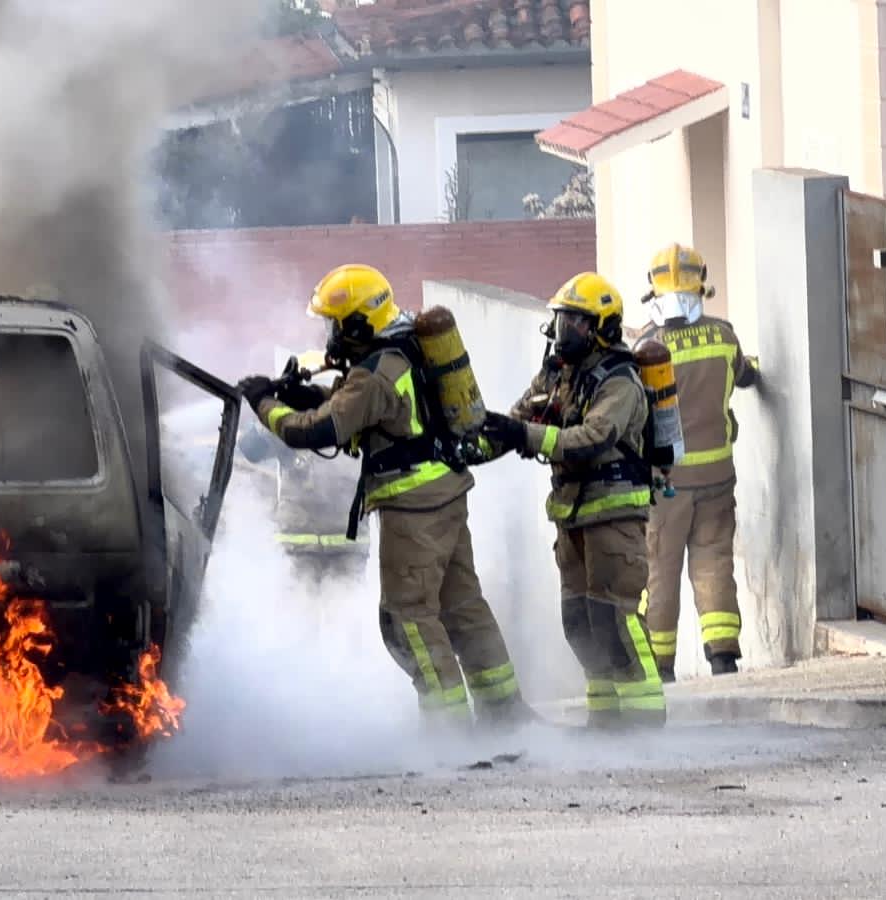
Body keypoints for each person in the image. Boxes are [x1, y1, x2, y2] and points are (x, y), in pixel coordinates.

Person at [237, 264, 528, 728]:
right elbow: (360, 406)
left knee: (407, 618)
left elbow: (316, 431)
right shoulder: (405, 348)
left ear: (357, 324)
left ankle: (450, 730)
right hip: (446, 494)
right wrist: (304, 393)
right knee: (463, 608)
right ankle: (506, 715)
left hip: (413, 508)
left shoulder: (374, 374)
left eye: (334, 324)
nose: (329, 335)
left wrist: (264, 404)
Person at [481, 272, 666, 729]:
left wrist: (524, 434)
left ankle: (645, 722)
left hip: (614, 511)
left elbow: (593, 437)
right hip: (571, 513)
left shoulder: (620, 380)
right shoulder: (560, 374)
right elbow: (522, 416)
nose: (563, 332)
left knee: (615, 619)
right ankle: (605, 720)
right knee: (579, 621)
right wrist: (477, 440)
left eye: (574, 323)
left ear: (601, 328)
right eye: (561, 321)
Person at [634, 243, 760, 680]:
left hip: (667, 486)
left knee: (659, 572)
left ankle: (660, 668)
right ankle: (723, 657)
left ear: (655, 291)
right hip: (719, 476)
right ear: (700, 287)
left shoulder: (647, 347)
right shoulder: (725, 336)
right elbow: (746, 374)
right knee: (714, 564)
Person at [238, 349, 372, 600]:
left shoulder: (342, 420)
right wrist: (267, 417)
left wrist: (265, 403)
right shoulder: (346, 419)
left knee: (339, 622)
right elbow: (250, 449)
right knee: (306, 624)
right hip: (304, 548)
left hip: (342, 547)